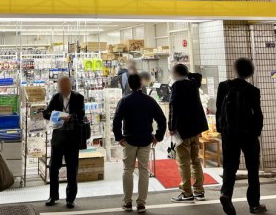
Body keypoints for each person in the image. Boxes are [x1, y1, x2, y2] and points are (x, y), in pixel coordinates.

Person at [216, 58, 266, 215]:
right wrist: (256, 132)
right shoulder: (253, 90)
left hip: (229, 134)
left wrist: (222, 130)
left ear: (235, 70)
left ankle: (226, 194)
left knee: (229, 167)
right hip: (248, 134)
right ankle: (254, 205)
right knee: (252, 169)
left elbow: (218, 110)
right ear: (250, 72)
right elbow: (258, 114)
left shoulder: (223, 86)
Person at [113, 74, 166, 213]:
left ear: (129, 85)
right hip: (146, 140)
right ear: (141, 84)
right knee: (144, 171)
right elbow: (162, 119)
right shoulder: (150, 100)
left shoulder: (124, 101)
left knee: (128, 170)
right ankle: (141, 203)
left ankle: (127, 202)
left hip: (129, 140)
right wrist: (158, 136)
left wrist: (119, 138)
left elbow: (116, 120)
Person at [43, 76, 85, 209]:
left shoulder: (78, 98)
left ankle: (70, 199)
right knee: (53, 168)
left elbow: (81, 114)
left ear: (70, 86)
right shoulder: (56, 98)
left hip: (72, 139)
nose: (64, 90)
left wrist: (71, 117)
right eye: (62, 87)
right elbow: (46, 113)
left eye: (66, 87)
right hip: (58, 138)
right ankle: (53, 196)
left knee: (72, 169)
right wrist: (58, 116)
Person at [168, 63, 209, 203]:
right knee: (195, 160)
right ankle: (199, 191)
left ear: (176, 74)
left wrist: (171, 126)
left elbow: (173, 106)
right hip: (195, 129)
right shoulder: (193, 83)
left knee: (183, 162)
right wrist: (186, 74)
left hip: (183, 129)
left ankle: (186, 192)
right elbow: (197, 75)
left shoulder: (177, 85)